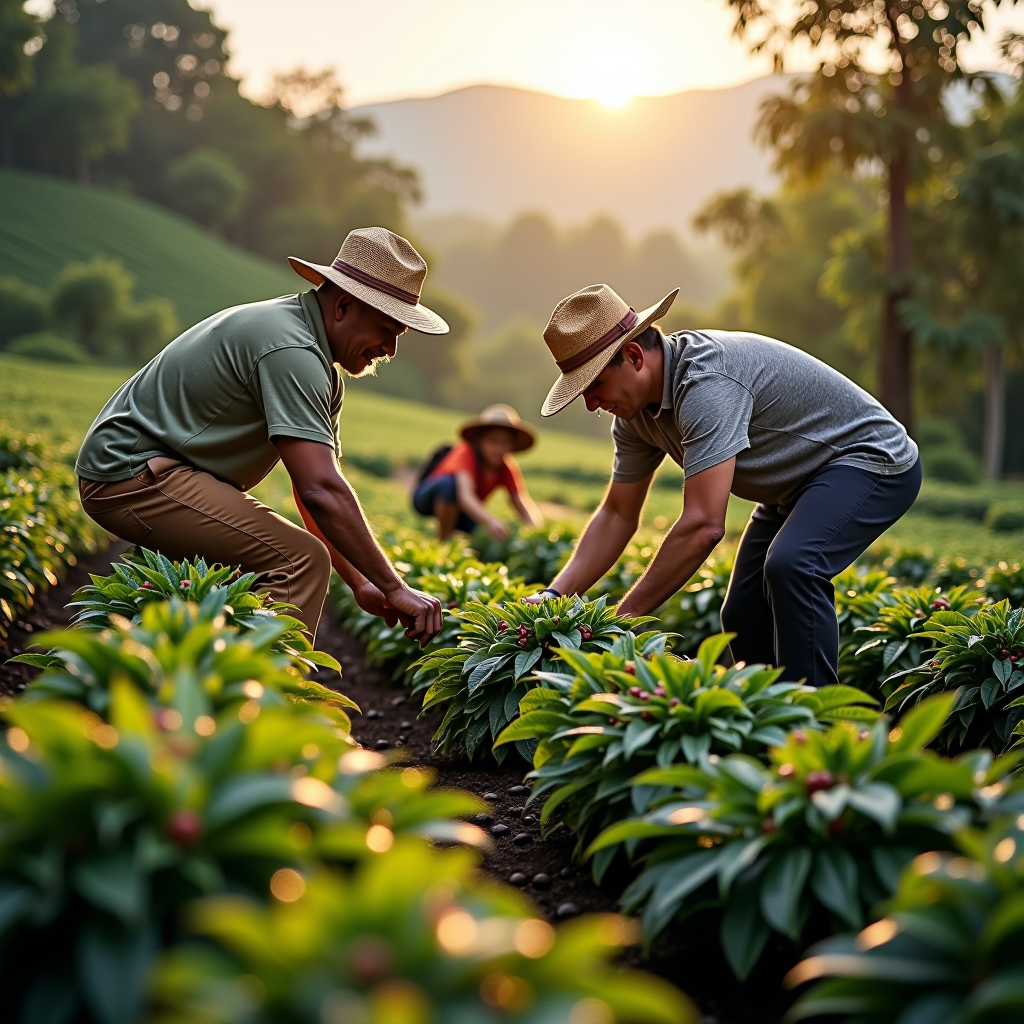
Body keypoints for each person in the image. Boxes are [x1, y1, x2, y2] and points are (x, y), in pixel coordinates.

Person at [529, 282, 921, 688]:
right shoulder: (632, 418)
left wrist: (620, 624)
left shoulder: (706, 385)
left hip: (868, 460)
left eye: (594, 386)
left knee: (793, 565)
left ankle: (819, 728)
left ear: (633, 356)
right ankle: (765, 721)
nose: (591, 404)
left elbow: (704, 526)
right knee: (743, 613)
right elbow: (616, 514)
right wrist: (555, 595)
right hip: (792, 485)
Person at [74, 227, 447, 646]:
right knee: (299, 562)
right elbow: (322, 489)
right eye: (387, 329)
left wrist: (363, 583)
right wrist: (396, 587)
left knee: (226, 584)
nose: (391, 349)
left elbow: (314, 492)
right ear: (343, 306)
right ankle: (269, 702)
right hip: (133, 475)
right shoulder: (293, 352)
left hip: (151, 471)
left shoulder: (313, 357)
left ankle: (182, 684)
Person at [412, 404, 543, 540]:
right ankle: (443, 540)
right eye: (493, 441)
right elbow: (465, 497)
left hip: (461, 511)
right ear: (480, 440)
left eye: (504, 443)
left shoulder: (506, 467)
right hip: (425, 498)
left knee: (477, 531)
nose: (498, 448)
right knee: (449, 485)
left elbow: (521, 502)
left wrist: (537, 531)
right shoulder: (465, 453)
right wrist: (491, 521)